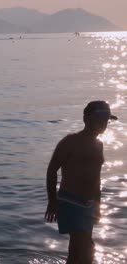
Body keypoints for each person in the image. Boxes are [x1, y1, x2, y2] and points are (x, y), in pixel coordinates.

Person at [45, 101, 118, 263]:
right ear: (87, 119)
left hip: (89, 205)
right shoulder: (70, 142)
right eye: (100, 118)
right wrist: (52, 201)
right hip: (71, 202)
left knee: (76, 250)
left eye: (107, 119)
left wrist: (97, 205)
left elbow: (96, 178)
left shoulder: (98, 145)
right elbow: (51, 170)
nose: (104, 123)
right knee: (87, 250)